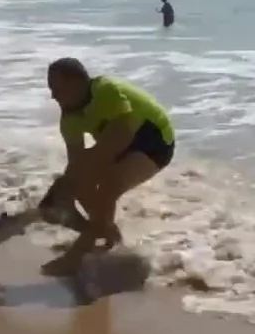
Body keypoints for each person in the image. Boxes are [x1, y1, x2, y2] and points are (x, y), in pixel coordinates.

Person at [41, 57, 176, 266]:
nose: (53, 96)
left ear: (77, 82)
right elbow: (76, 165)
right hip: (117, 144)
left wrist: (76, 177)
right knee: (79, 185)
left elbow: (122, 135)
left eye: (57, 88)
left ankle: (78, 253)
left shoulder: (105, 90)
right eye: (51, 89)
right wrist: (60, 197)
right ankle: (110, 236)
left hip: (154, 141)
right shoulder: (69, 119)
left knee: (107, 188)